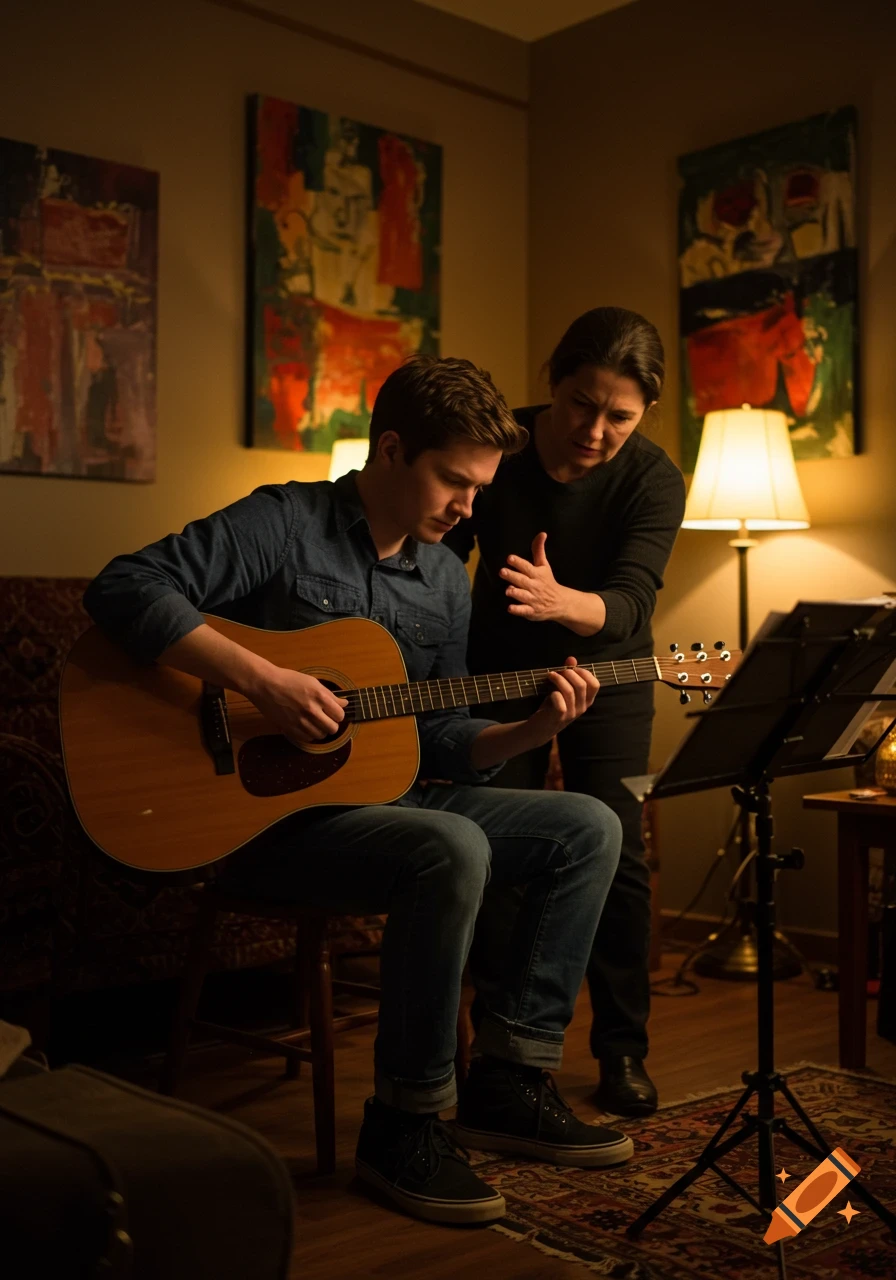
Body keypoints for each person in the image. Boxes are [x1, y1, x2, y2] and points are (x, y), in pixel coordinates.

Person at [83, 354, 630, 1227]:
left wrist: (533, 731)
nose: (468, 508)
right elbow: (123, 586)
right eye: (454, 480)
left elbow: (440, 737)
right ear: (390, 449)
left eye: (481, 488)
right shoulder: (284, 521)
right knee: (452, 845)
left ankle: (509, 1078)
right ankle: (405, 1124)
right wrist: (262, 680)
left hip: (390, 806)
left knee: (589, 826)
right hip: (265, 821)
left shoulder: (446, 576)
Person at [445, 309, 686, 1118]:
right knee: (497, 846)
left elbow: (629, 601)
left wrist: (559, 602)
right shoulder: (498, 445)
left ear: (645, 411)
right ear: (553, 384)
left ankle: (622, 1051)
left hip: (610, 672)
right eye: (583, 404)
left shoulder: (652, 477)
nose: (596, 429)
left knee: (617, 852)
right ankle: (502, 1053)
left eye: (620, 415)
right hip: (496, 671)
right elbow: (439, 558)